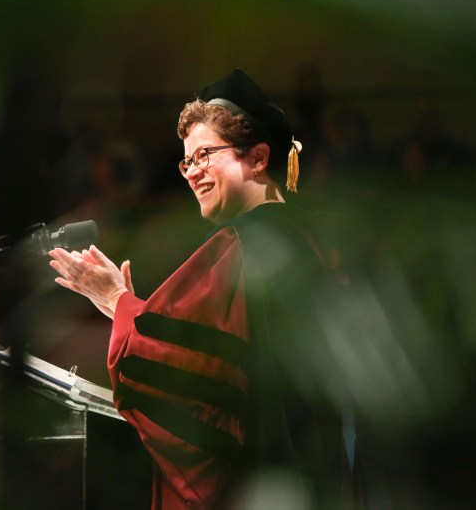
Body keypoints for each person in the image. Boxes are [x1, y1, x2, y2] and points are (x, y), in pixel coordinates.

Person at [49, 69, 347, 509]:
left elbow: (191, 382)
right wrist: (131, 312)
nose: (192, 173)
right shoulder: (304, 241)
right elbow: (220, 354)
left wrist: (119, 301)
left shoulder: (242, 246)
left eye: (204, 154)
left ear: (259, 158)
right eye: (187, 161)